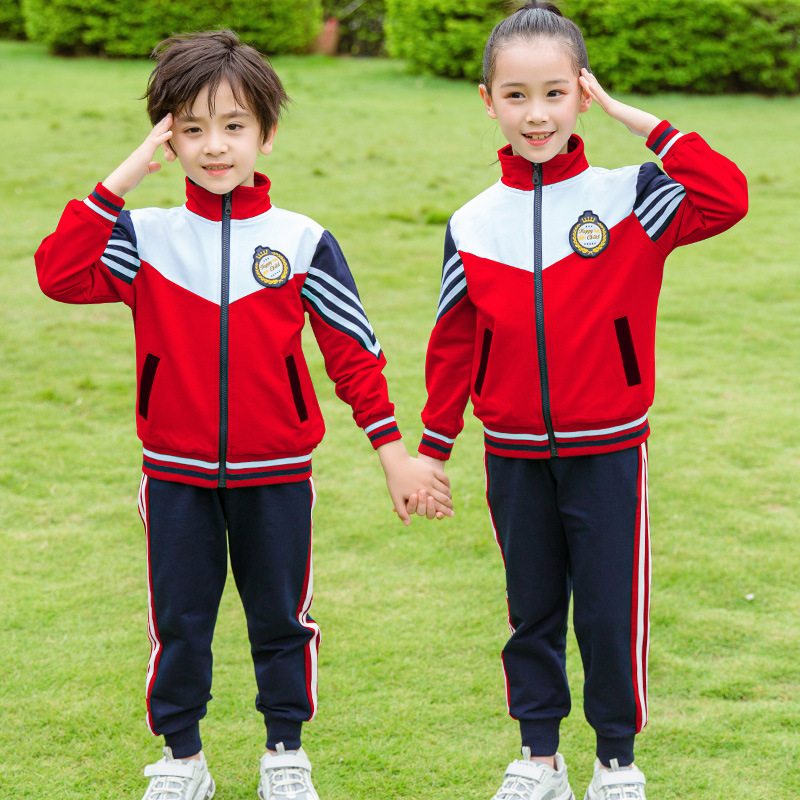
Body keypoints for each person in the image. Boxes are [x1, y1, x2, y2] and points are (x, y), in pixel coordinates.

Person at [35, 30, 452, 800]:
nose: (214, 147)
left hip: (278, 473)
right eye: (190, 129)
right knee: (181, 624)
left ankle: (284, 753)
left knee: (281, 619)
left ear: (266, 133)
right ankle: (182, 760)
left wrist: (393, 451)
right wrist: (125, 176)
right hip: (176, 477)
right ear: (168, 137)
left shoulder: (300, 241)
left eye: (233, 127)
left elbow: (352, 353)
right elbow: (59, 274)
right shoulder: (144, 239)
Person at [410, 3, 747, 799]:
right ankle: (538, 759)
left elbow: (726, 196)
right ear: (488, 100)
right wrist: (431, 448)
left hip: (608, 448)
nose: (538, 114)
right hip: (513, 452)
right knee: (530, 611)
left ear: (582, 97)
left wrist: (646, 126)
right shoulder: (471, 221)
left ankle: (616, 764)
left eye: (556, 93)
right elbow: (453, 342)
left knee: (606, 611)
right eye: (517, 95)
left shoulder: (635, 194)